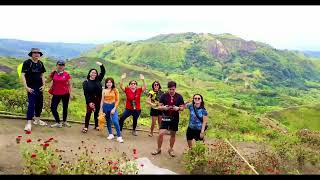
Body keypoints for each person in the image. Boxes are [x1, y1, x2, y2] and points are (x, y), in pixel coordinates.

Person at [151, 81, 184, 157]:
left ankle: (171, 149)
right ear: (168, 88)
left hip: (175, 117)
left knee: (173, 134)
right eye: (170, 89)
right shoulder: (164, 96)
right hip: (166, 117)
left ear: (175, 88)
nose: (171, 91)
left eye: (173, 89)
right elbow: (159, 106)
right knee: (160, 133)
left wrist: (178, 108)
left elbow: (182, 107)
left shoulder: (179, 96)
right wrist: (164, 108)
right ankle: (158, 149)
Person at [21, 48, 47, 132]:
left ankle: (37, 120)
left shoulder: (40, 63)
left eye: (38, 53)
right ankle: (28, 123)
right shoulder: (27, 63)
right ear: (31, 54)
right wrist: (26, 87)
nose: (36, 54)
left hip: (39, 87)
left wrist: (44, 85)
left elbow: (42, 75)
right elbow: (23, 75)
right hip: (31, 88)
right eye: (34, 53)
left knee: (39, 104)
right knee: (31, 105)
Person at [82, 62, 105, 133]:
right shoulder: (86, 82)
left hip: (98, 99)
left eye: (95, 73)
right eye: (92, 72)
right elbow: (86, 93)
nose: (94, 74)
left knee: (96, 113)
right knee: (88, 113)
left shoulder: (98, 79)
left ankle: (96, 125)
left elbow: (103, 72)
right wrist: (89, 102)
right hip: (90, 99)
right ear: (89, 73)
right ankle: (86, 127)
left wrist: (101, 65)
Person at [48, 60, 72, 128]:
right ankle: (58, 122)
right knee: (53, 108)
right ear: (57, 65)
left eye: (62, 65)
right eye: (59, 65)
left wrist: (71, 93)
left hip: (65, 93)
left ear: (64, 66)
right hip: (56, 93)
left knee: (65, 107)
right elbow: (47, 81)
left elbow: (70, 84)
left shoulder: (66, 74)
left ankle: (64, 121)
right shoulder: (54, 73)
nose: (60, 66)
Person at [99, 77, 124, 143]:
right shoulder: (104, 90)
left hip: (113, 106)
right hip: (105, 106)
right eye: (107, 82)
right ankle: (110, 134)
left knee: (115, 121)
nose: (109, 83)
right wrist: (101, 109)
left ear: (112, 83)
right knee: (108, 121)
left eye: (110, 82)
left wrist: (114, 108)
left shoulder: (115, 90)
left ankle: (119, 136)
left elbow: (117, 100)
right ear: (106, 83)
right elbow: (102, 100)